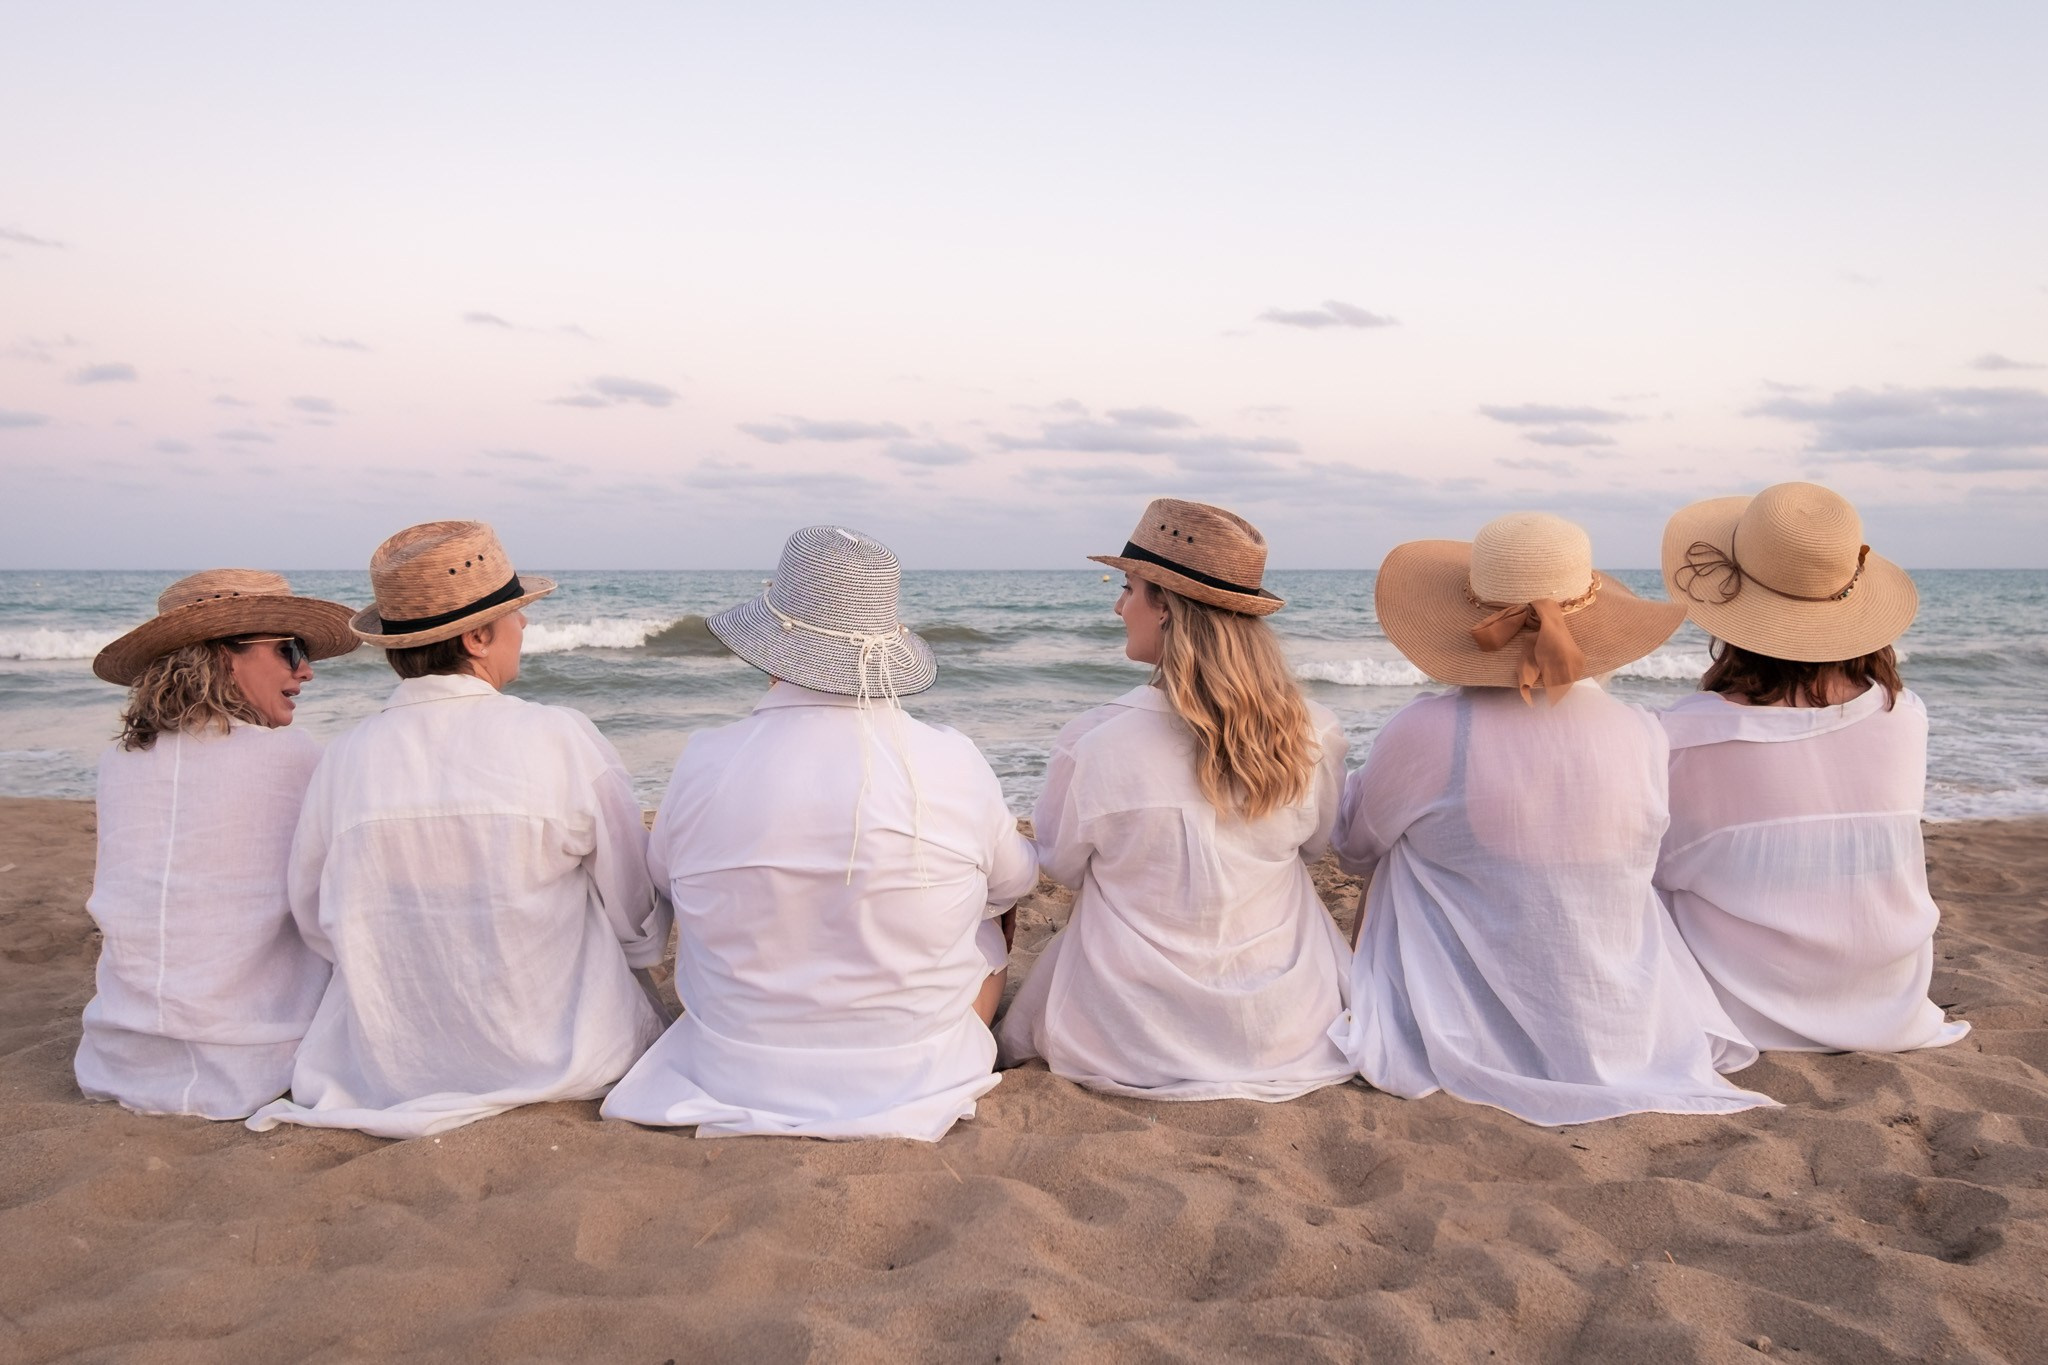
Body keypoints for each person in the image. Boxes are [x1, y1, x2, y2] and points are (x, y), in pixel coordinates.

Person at [1329, 512, 1776, 1125]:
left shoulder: (1427, 731)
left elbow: (1353, 849)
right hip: (1614, 1016)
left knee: (1405, 847)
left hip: (1459, 1018)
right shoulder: (1641, 732)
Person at [601, 526, 1036, 1141]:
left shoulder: (704, 760)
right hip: (912, 1069)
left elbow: (663, 878)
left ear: (776, 639)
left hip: (734, 1065)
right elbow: (1018, 879)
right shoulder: (952, 760)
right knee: (992, 902)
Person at [247, 521, 671, 1139]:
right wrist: (637, 959)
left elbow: (317, 919)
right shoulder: (559, 737)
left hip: (388, 1065)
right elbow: (633, 907)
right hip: (560, 1050)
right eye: (514, 615)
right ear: (477, 636)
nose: (524, 626)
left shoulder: (345, 757)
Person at [997, 498, 1356, 1101]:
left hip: (1127, 1033)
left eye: (1129, 587)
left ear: (1165, 607)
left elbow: (1059, 863)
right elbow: (1318, 846)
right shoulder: (1313, 731)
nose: (1117, 605)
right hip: (1285, 1028)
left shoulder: (1095, 742)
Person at [1656, 482, 1969, 1052]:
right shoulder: (1905, 716)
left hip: (1743, 1005)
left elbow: (1653, 866)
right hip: (1887, 1000)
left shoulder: (1685, 734)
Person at [78, 569, 358, 1119]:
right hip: (254, 1060)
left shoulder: (119, 761)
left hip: (118, 1055)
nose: (306, 671)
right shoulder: (296, 759)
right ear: (224, 655)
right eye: (289, 650)